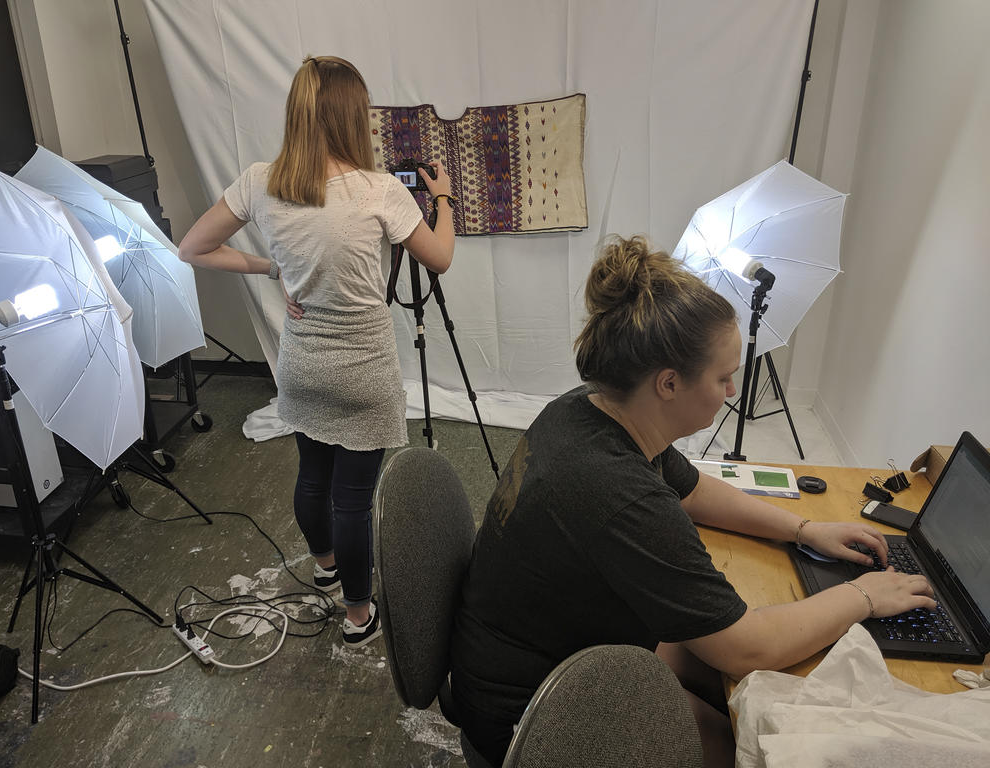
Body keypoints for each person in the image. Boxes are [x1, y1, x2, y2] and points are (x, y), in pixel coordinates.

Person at [449, 235, 935, 766]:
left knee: (742, 688)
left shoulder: (593, 408)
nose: (732, 391)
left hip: (546, 650)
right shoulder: (620, 495)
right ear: (668, 384)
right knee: (751, 747)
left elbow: (694, 489)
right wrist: (864, 597)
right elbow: (749, 646)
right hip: (534, 717)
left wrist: (802, 530)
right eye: (724, 377)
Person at [178, 55, 455, 647]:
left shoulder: (260, 180)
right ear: (352, 117)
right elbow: (441, 258)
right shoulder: (380, 191)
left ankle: (326, 571)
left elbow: (193, 247)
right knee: (353, 499)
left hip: (301, 362)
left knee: (313, 474)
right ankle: (359, 618)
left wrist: (266, 264)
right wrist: (446, 201)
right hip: (364, 369)